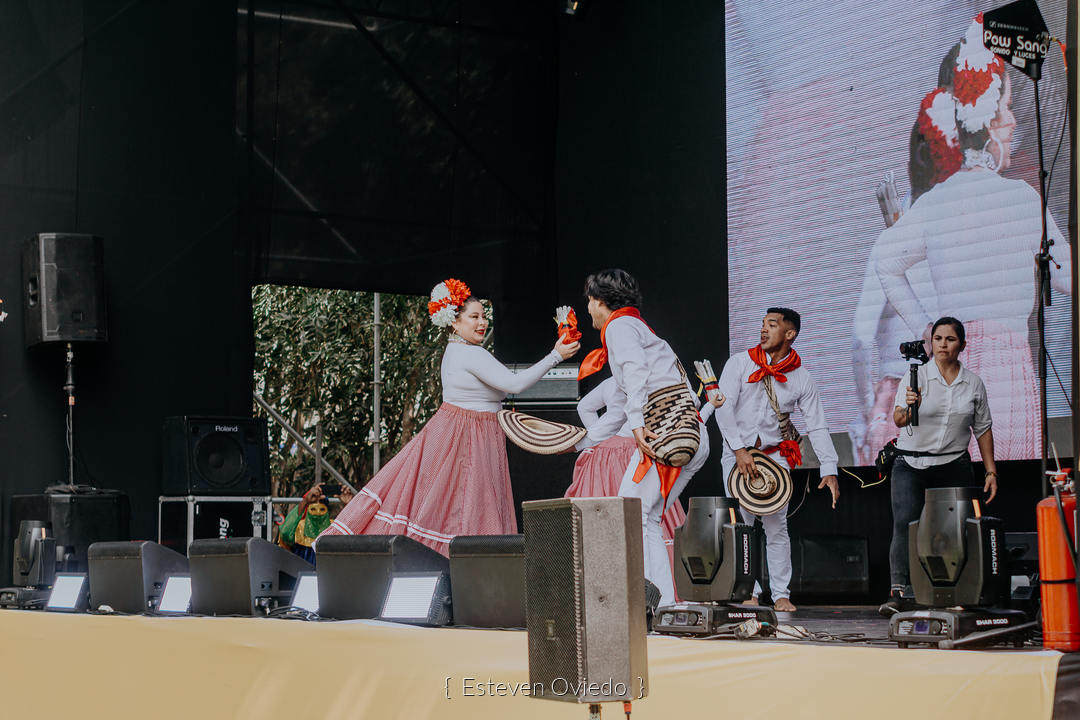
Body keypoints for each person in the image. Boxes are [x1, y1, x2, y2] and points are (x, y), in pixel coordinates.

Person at [875, 14, 1072, 461]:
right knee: (1007, 473)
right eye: (1005, 108)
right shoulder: (1021, 199)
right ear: (993, 119)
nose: (1011, 119)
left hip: (952, 367)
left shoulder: (938, 202)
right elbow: (1067, 277)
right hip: (1006, 367)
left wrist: (928, 331)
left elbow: (886, 260)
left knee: (958, 484)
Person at [319, 278, 580, 555]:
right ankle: (479, 568)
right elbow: (513, 385)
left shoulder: (456, 351)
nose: (482, 322)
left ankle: (460, 566)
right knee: (469, 504)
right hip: (468, 434)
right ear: (454, 322)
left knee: (453, 504)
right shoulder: (470, 353)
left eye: (484, 316)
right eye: (474, 317)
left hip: (464, 430)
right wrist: (555, 355)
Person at [579, 269, 710, 606]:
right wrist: (577, 441)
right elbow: (618, 411)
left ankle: (656, 604)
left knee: (632, 512)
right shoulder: (637, 328)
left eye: (590, 301)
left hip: (663, 434)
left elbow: (635, 373)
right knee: (647, 517)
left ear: (601, 301)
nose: (588, 309)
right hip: (690, 434)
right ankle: (664, 607)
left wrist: (638, 425)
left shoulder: (620, 326)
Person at [712, 308, 840, 612]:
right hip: (736, 454)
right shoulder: (739, 363)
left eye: (772, 325)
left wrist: (830, 468)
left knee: (776, 527)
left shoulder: (801, 377)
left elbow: (817, 424)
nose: (764, 330)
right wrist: (739, 450)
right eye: (763, 324)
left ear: (789, 334)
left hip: (773, 460)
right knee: (741, 525)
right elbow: (723, 409)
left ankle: (781, 593)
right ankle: (749, 590)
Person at [880, 316, 996, 615]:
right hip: (911, 461)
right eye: (938, 338)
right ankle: (898, 592)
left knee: (955, 529)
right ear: (931, 343)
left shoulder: (973, 383)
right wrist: (908, 406)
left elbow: (982, 428)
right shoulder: (915, 376)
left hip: (953, 462)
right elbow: (898, 420)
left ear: (962, 345)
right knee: (905, 524)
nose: (943, 344)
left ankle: (955, 590)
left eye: (950, 339)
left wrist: (991, 470)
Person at [564, 376, 693, 572]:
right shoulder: (649, 381)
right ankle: (651, 579)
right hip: (636, 453)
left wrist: (601, 438)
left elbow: (585, 407)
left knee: (629, 514)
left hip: (614, 457)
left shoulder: (614, 383)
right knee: (645, 515)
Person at [278, 482, 355, 564]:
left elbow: (355, 536)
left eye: (322, 508)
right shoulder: (299, 527)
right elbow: (285, 533)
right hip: (303, 574)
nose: (317, 512)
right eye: (313, 508)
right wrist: (305, 501)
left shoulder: (335, 527)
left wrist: (349, 504)